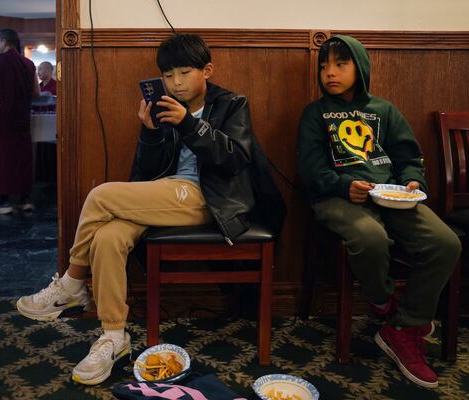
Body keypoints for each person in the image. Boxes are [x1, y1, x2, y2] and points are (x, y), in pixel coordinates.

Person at [16, 33, 285, 385]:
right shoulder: (164, 104)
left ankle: (72, 282)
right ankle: (114, 337)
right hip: (165, 196)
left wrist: (188, 123)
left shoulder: (232, 104)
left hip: (210, 200)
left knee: (100, 196)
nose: (175, 82)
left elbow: (233, 160)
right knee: (109, 237)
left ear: (207, 70)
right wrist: (150, 133)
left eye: (184, 72)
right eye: (168, 74)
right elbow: (148, 173)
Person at [297, 35, 461, 389]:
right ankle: (385, 303)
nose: (330, 73)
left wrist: (413, 182)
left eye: (341, 64)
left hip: (391, 195)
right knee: (371, 238)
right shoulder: (315, 114)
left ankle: (403, 326)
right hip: (338, 197)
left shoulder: (384, 110)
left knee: (445, 243)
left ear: (361, 66)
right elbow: (310, 171)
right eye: (324, 66)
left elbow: (408, 156)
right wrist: (344, 186)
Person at [0, 28, 40, 214]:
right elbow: (36, 93)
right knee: (22, 156)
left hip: (4, 116)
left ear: (4, 42)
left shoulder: (1, 60)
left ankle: (4, 202)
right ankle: (25, 200)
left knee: (2, 156)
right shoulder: (28, 63)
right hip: (23, 115)